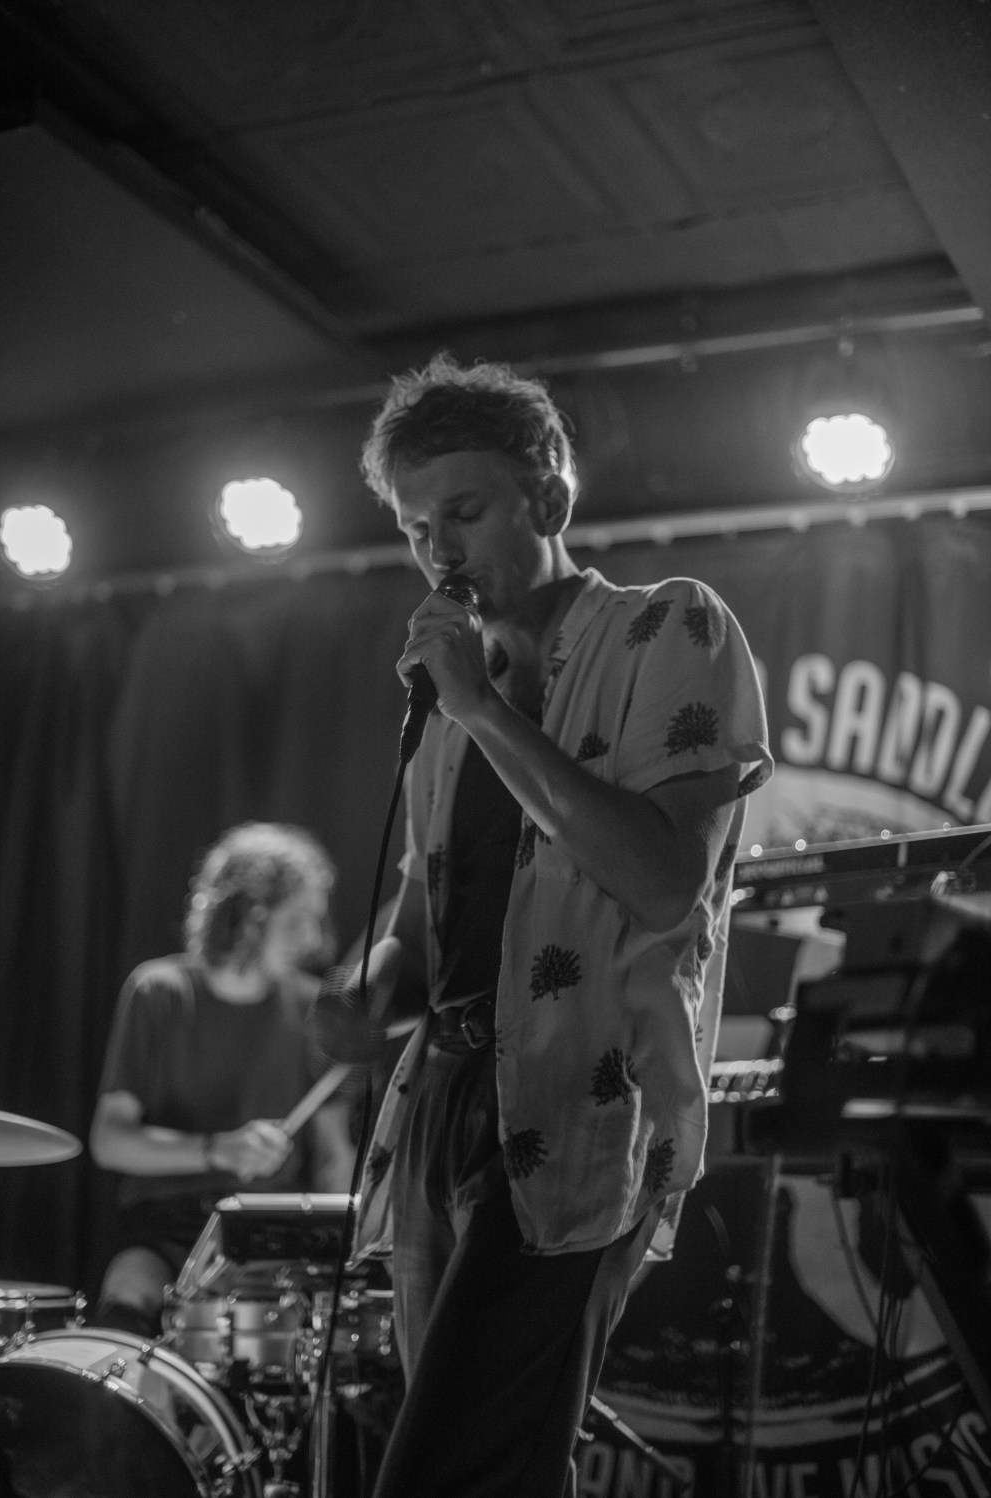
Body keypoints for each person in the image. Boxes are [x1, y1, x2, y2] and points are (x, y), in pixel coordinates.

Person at [350, 352, 773, 1498]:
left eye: (464, 512)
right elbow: (422, 926)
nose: (438, 551)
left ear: (547, 495)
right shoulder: (452, 698)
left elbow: (663, 880)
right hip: (441, 1098)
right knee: (501, 1465)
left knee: (448, 1468)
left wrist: (483, 709)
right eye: (414, 528)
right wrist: (365, 985)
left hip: (580, 1095)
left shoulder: (669, 627)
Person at [90, 821, 366, 1338]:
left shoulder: (315, 1007)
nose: (313, 939)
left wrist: (345, 1248)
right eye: (296, 920)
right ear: (246, 917)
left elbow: (334, 1157)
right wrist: (218, 1150)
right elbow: (111, 1141)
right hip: (167, 1225)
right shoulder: (160, 991)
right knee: (127, 1292)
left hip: (271, 1234)